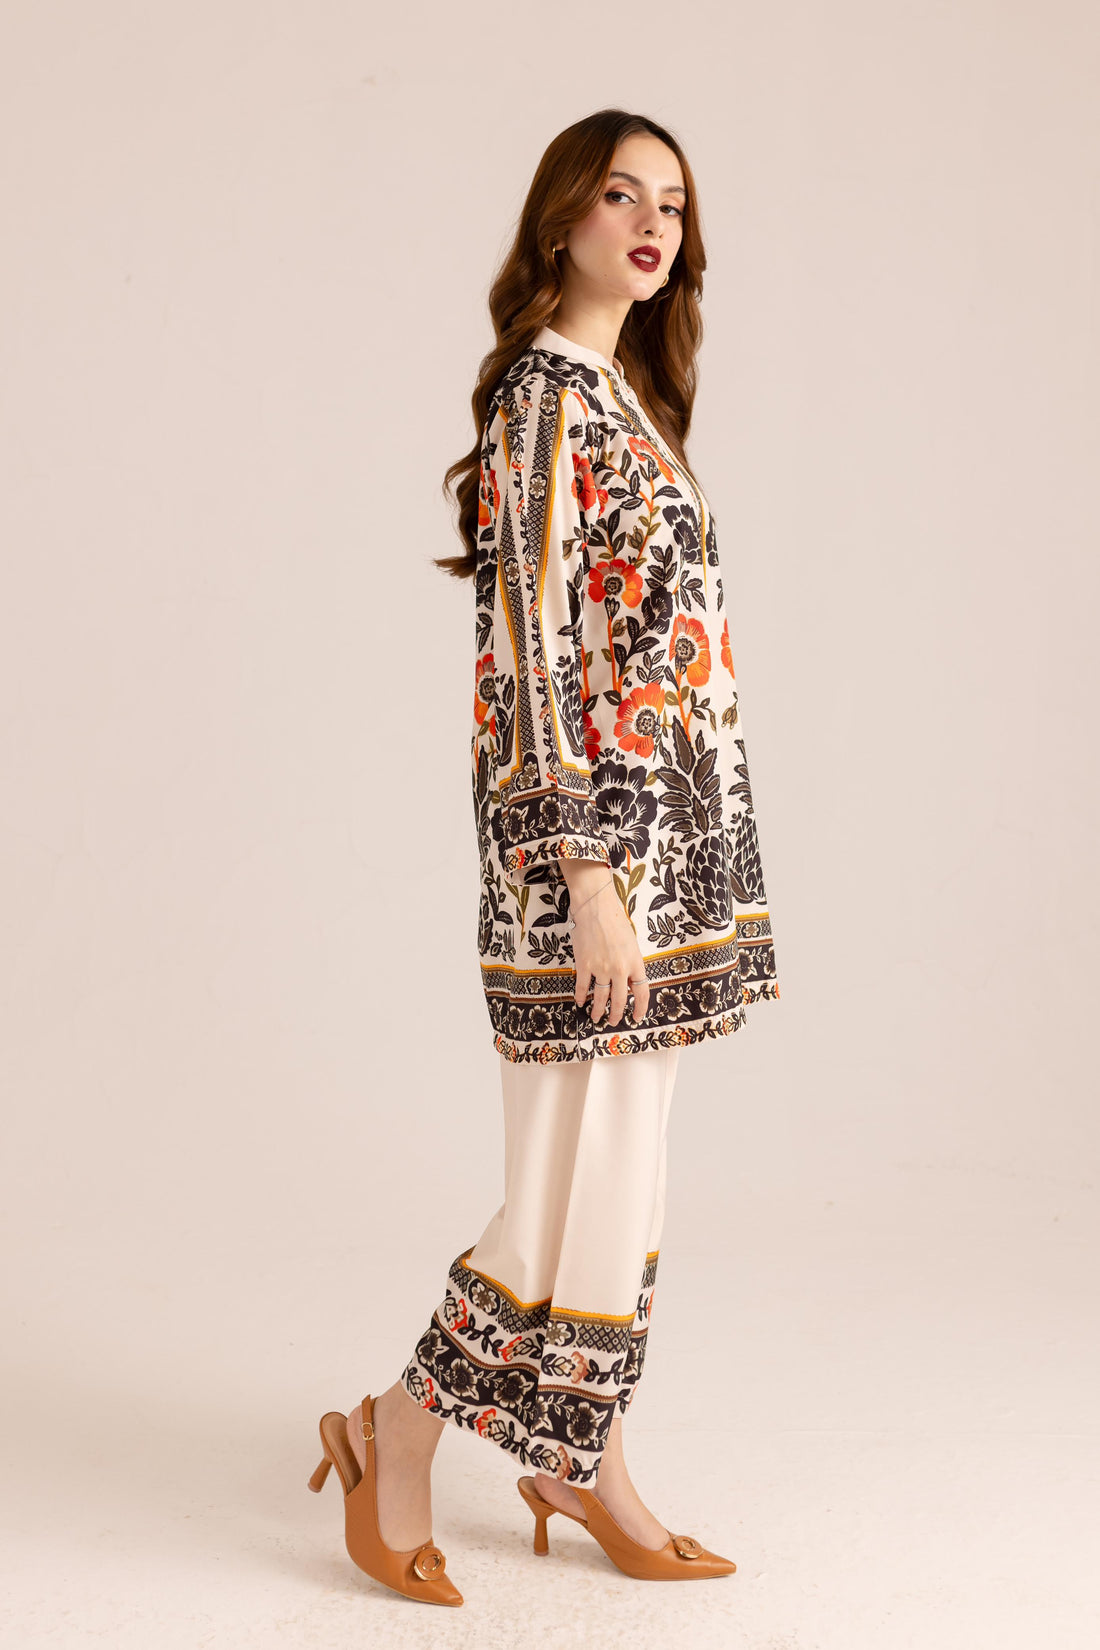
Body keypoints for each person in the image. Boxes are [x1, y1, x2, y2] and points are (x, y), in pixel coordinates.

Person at [307, 107, 780, 1607]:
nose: (652, 223)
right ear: (562, 218)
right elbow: (528, 652)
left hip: (669, 855)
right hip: (585, 868)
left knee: (617, 1189)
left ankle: (585, 1460)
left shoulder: (629, 397)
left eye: (673, 205)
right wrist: (584, 880)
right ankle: (396, 1431)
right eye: (621, 195)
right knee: (563, 1196)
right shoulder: (541, 401)